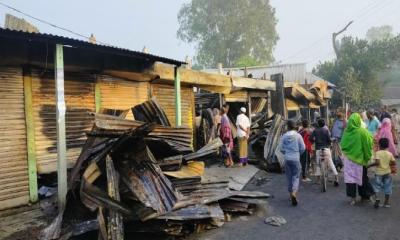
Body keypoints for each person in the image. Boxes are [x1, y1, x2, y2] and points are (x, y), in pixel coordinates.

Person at [341, 113, 374, 206]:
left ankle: (352, 199)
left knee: (350, 179)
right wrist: (368, 157)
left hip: (348, 160)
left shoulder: (346, 132)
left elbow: (342, 145)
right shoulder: (363, 132)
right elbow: (368, 145)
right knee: (362, 178)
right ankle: (365, 196)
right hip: (360, 161)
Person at [280, 120, 305, 206]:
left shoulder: (284, 136)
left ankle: (291, 195)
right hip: (295, 159)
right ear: (294, 127)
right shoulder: (298, 136)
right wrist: (298, 153)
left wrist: (286, 153)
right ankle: (294, 192)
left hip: (287, 159)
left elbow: (281, 149)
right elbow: (303, 148)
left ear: (288, 127)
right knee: (296, 176)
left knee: (289, 177)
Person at [311, 118, 339, 186]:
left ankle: (318, 180)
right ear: (324, 124)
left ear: (318, 124)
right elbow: (329, 140)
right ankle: (336, 177)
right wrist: (330, 143)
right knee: (331, 163)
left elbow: (311, 139)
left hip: (318, 150)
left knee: (318, 164)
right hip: (326, 149)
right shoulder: (326, 130)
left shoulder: (315, 130)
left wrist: (314, 141)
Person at [370, 138, 396, 208]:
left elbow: (377, 163)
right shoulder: (390, 154)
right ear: (387, 146)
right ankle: (386, 203)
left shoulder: (378, 153)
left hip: (379, 173)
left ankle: (377, 199)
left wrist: (369, 165)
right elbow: (393, 162)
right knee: (388, 187)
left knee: (376, 187)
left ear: (380, 145)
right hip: (387, 173)